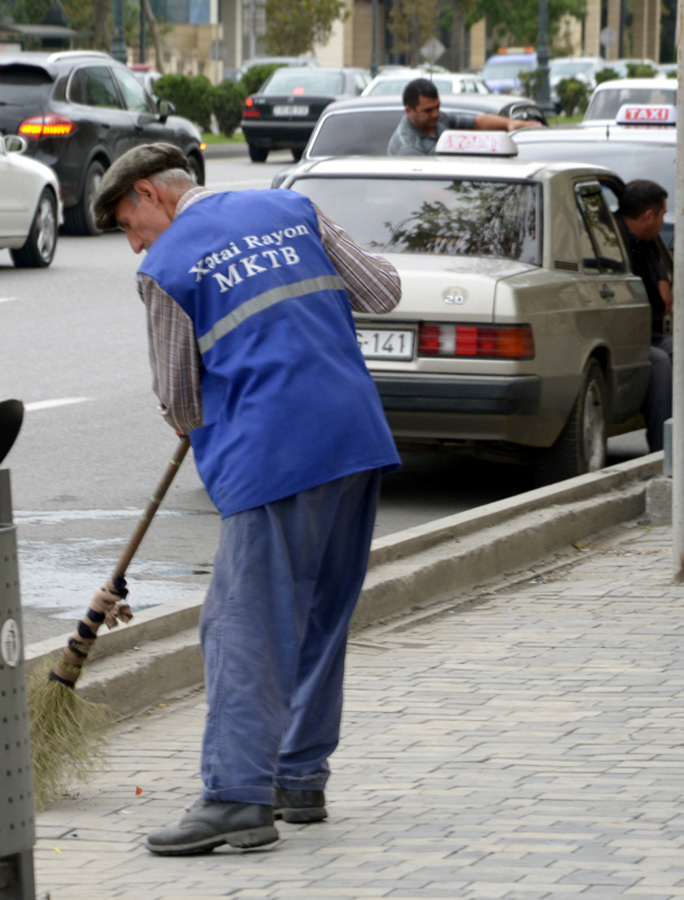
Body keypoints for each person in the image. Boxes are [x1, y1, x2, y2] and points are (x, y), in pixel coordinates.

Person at [91, 143, 403, 856]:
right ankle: (298, 777)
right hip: (355, 436)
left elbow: (178, 400)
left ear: (151, 195)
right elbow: (381, 290)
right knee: (320, 615)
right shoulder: (291, 205)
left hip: (274, 455)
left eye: (125, 223)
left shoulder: (164, 267)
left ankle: (235, 796)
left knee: (243, 625)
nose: (132, 241)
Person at [616, 179, 672, 452]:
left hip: (649, 333)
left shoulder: (643, 239)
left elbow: (654, 252)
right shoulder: (614, 240)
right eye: (662, 214)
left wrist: (662, 276)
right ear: (648, 215)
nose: (663, 221)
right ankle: (663, 452)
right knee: (660, 362)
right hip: (626, 338)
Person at [387, 77, 540, 156]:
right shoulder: (407, 146)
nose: (435, 114)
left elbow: (479, 122)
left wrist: (511, 124)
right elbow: (426, 188)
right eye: (427, 111)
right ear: (409, 110)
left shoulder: (440, 120)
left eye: (437, 107)